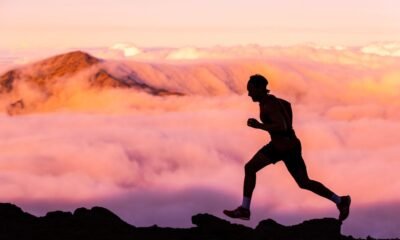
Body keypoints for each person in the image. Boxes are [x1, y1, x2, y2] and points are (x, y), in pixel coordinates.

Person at [223, 74, 351, 221]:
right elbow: (287, 106)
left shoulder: (269, 104)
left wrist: (260, 126)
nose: (249, 94)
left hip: (286, 149)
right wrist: (288, 129)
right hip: (283, 146)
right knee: (298, 181)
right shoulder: (273, 101)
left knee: (301, 181)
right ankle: (341, 201)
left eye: (251, 90)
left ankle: (341, 201)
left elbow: (281, 126)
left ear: (259, 88)